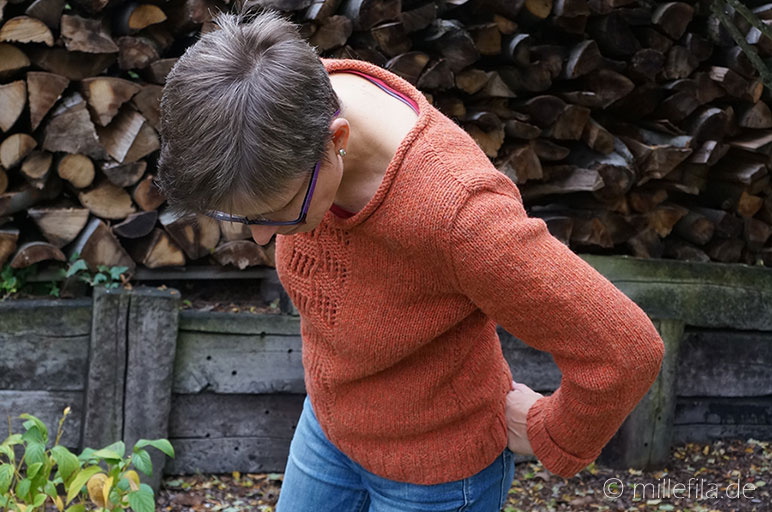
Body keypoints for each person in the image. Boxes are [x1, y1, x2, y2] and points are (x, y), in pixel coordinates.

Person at [156, 8, 666, 512]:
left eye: (277, 213)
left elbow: (625, 349)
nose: (265, 238)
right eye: (245, 218)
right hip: (328, 434)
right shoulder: (281, 96)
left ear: (336, 142)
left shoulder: (459, 215)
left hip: (434, 479)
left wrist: (551, 430)